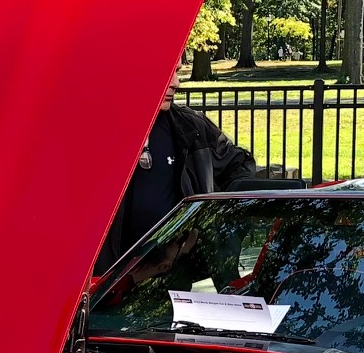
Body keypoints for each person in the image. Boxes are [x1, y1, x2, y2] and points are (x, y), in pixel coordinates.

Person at [95, 73, 257, 273]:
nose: (176, 83)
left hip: (174, 284)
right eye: (168, 72)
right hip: (106, 287)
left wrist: (224, 221)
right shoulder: (93, 131)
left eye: (178, 71)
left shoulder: (191, 127)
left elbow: (239, 166)